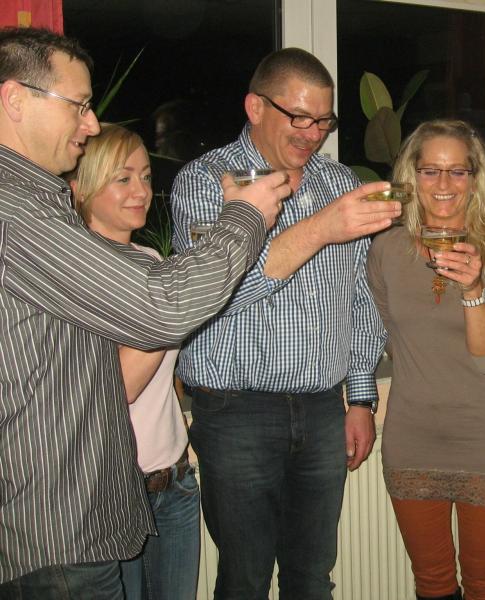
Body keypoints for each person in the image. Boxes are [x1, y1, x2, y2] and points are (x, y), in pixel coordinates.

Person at [0, 26, 289, 597]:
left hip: (78, 516)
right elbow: (163, 307)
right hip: (53, 530)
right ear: (14, 99)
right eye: (78, 104)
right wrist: (247, 215)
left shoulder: (36, 205)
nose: (90, 123)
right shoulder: (17, 209)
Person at [170, 47, 398, 600]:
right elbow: (208, 297)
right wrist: (321, 228)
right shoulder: (206, 182)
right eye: (298, 116)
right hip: (236, 412)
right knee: (245, 579)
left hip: (322, 409)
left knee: (312, 576)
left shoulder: (338, 182)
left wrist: (360, 398)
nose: (312, 133)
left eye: (323, 120)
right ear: (255, 106)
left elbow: (362, 298)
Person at [366, 120, 485, 600]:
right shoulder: (387, 249)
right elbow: (390, 335)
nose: (443, 184)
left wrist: (473, 289)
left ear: (475, 180)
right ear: (412, 177)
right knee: (432, 581)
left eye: (458, 171)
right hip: (412, 437)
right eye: (430, 170)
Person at [67, 123, 200, 600]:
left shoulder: (151, 261)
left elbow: (166, 377)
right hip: (113, 493)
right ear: (81, 187)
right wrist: (175, 306)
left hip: (176, 483)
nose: (141, 191)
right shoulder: (71, 273)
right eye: (123, 178)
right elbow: (117, 388)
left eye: (145, 176)